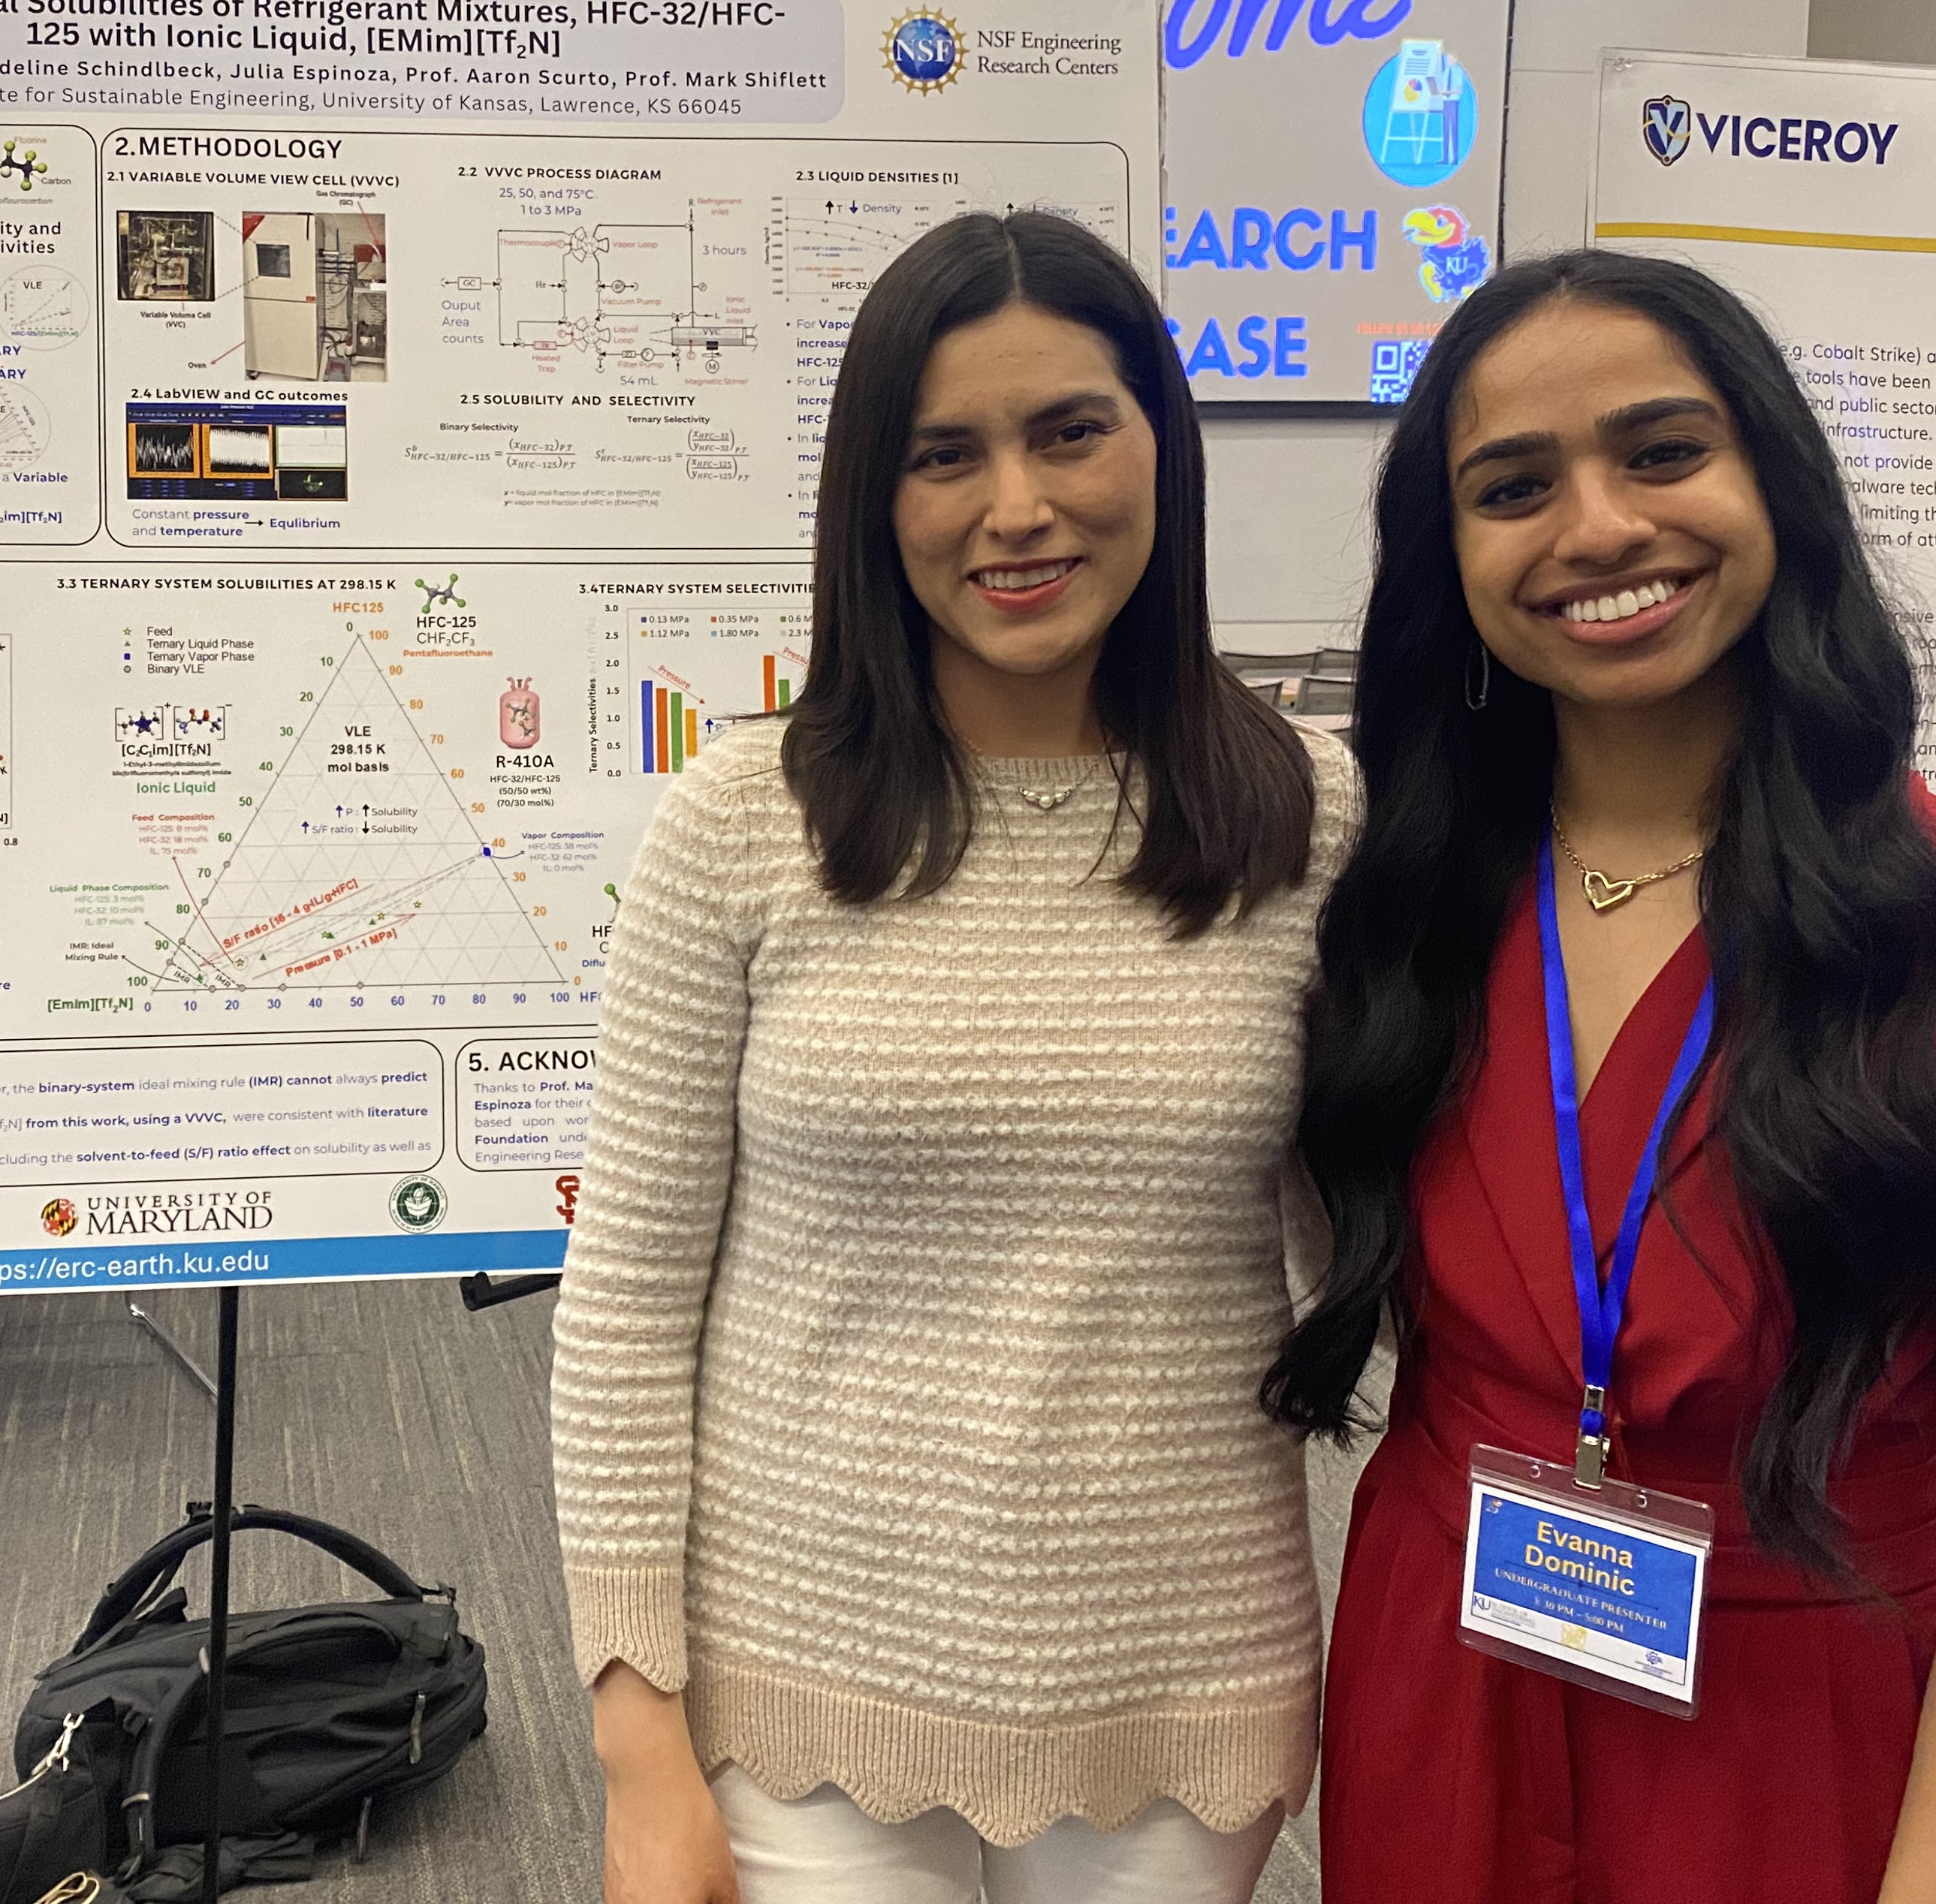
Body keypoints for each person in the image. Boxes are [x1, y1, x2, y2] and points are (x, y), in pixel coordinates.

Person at [1266, 249, 1936, 1904]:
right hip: (1440, 1685)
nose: (1599, 527)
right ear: (1447, 559)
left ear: (1780, 484)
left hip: (1794, 1736)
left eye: (1664, 451)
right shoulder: (1400, 913)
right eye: (1513, 486)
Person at [550, 210, 1356, 1904]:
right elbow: (625, 1303)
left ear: (1162, 446)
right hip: (800, 1683)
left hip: (1178, 1672)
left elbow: (1378, 1266)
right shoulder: (742, 825)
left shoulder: (1310, 816)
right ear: (874, 498)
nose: (1018, 508)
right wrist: (639, 1745)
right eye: (945, 455)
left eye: (1071, 429)